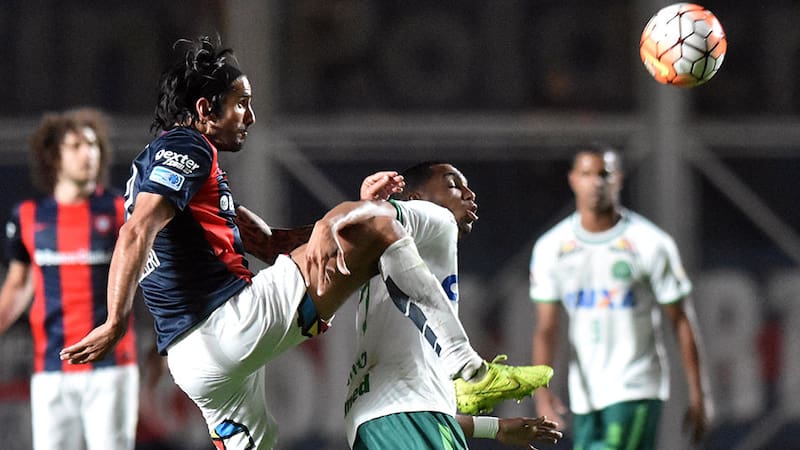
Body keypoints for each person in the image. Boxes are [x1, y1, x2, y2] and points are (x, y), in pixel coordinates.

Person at [58, 35, 548, 450]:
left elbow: (269, 244)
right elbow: (135, 232)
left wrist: (306, 231)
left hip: (194, 364)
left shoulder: (174, 175)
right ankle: (468, 365)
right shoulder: (185, 147)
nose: (250, 115)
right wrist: (115, 321)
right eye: (241, 103)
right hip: (226, 325)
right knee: (378, 225)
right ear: (206, 109)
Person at [346, 163, 560, 450]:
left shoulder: (391, 261)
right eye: (453, 185)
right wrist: (373, 205)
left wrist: (494, 427)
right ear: (416, 198)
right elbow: (382, 218)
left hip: (388, 418)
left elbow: (417, 392)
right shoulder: (436, 219)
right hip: (405, 416)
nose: (470, 194)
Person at [528, 145, 711, 450]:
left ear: (619, 180)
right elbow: (546, 328)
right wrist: (541, 391)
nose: (596, 183)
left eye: (604, 174)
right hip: (585, 394)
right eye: (587, 174)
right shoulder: (551, 248)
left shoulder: (650, 243)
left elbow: (680, 319)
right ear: (573, 180)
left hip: (636, 386)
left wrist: (699, 393)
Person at [0, 108, 139, 450]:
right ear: (54, 157)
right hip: (51, 368)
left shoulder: (122, 211)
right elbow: (18, 286)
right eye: (75, 145)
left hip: (112, 368)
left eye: (92, 144)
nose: (87, 153)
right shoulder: (29, 217)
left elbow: (149, 277)